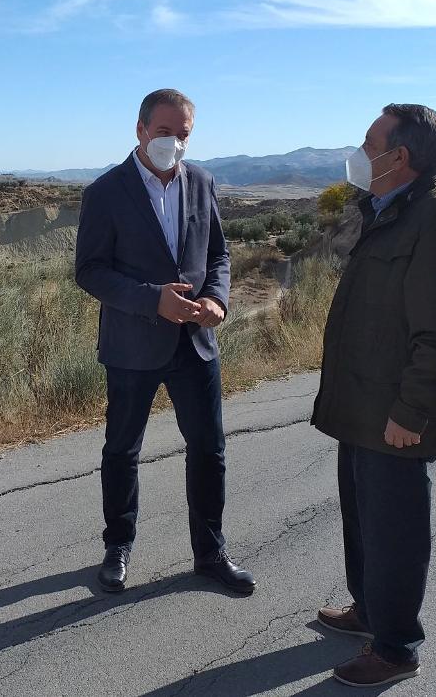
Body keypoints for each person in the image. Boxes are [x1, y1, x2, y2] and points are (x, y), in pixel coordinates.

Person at [310, 103, 436, 687]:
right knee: (363, 519)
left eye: (369, 145)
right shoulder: (386, 210)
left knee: (395, 533)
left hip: (396, 412)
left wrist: (412, 412)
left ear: (399, 156)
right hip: (362, 402)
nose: (359, 155)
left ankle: (395, 648)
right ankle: (369, 611)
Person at [74, 88, 255, 595]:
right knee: (122, 450)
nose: (173, 143)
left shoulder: (201, 182)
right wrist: (153, 300)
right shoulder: (106, 192)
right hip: (133, 345)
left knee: (209, 449)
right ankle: (118, 546)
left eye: (183, 134)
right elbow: (90, 271)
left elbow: (217, 255)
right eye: (163, 132)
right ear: (140, 130)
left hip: (195, 342)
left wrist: (217, 299)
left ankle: (211, 553)